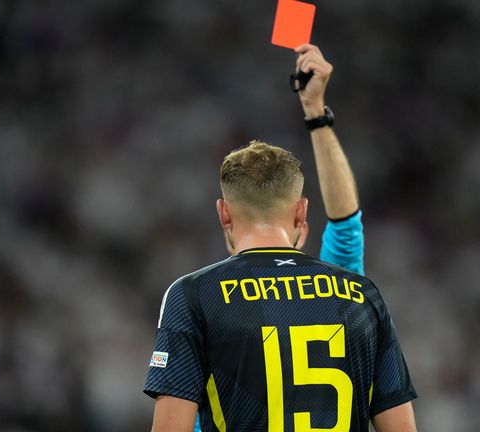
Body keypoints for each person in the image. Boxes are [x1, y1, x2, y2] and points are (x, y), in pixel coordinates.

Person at [144, 45, 417, 431]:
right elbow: (346, 226)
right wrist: (316, 112)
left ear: (223, 213)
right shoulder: (358, 296)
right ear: (302, 213)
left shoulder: (195, 296)